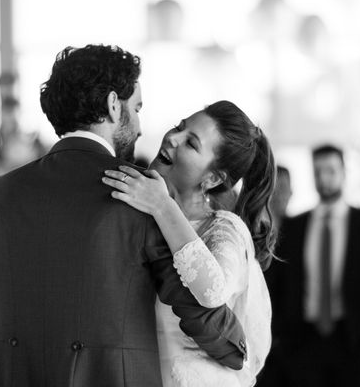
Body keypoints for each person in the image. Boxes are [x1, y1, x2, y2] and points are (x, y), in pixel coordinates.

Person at [0, 45, 247, 387]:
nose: (137, 127)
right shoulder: (139, 192)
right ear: (113, 105)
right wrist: (236, 348)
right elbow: (195, 309)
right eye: (136, 108)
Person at [103, 100, 275, 386]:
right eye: (179, 127)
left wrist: (162, 206)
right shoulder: (138, 216)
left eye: (191, 143)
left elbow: (212, 291)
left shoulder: (224, 227)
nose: (173, 138)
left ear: (213, 178)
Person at [267, 144, 360, 387]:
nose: (323, 178)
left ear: (344, 172)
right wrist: (281, 340)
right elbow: (276, 288)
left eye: (330, 170)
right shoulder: (292, 227)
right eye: (317, 171)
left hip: (357, 343)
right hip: (302, 346)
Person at [256, 165, 293, 387]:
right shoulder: (253, 231)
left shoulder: (301, 232)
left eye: (284, 188)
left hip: (290, 342)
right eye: (275, 188)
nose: (279, 194)